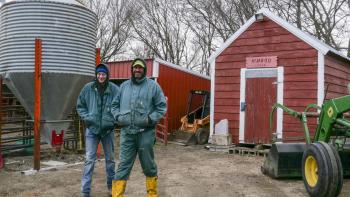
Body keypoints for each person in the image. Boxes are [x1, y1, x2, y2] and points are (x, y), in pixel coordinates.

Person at [111, 58, 167, 197]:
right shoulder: (123, 86)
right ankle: (117, 195)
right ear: (132, 69)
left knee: (149, 166)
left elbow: (161, 107)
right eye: (135, 67)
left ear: (144, 70)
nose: (137, 70)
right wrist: (118, 117)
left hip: (145, 134)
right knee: (122, 167)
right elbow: (114, 105)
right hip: (127, 134)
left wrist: (150, 118)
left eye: (140, 68)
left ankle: (152, 194)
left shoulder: (153, 86)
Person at [77, 63, 120, 197]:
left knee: (110, 160)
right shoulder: (88, 88)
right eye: (99, 74)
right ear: (96, 75)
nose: (101, 76)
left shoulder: (114, 89)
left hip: (108, 131)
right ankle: (85, 191)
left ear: (107, 76)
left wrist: (114, 121)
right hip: (92, 130)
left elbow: (120, 106)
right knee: (89, 160)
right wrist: (87, 118)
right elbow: (80, 105)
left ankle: (111, 188)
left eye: (103, 74)